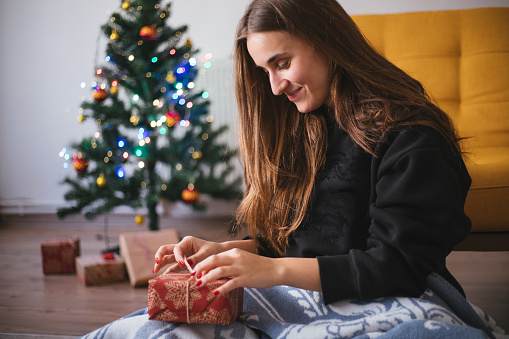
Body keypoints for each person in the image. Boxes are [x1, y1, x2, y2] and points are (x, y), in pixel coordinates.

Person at [153, 0, 472, 307]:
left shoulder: (411, 136)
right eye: (265, 71)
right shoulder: (306, 124)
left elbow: (396, 267)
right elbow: (306, 247)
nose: (275, 87)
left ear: (327, 41)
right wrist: (225, 253)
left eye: (282, 63)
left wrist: (272, 271)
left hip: (397, 300)